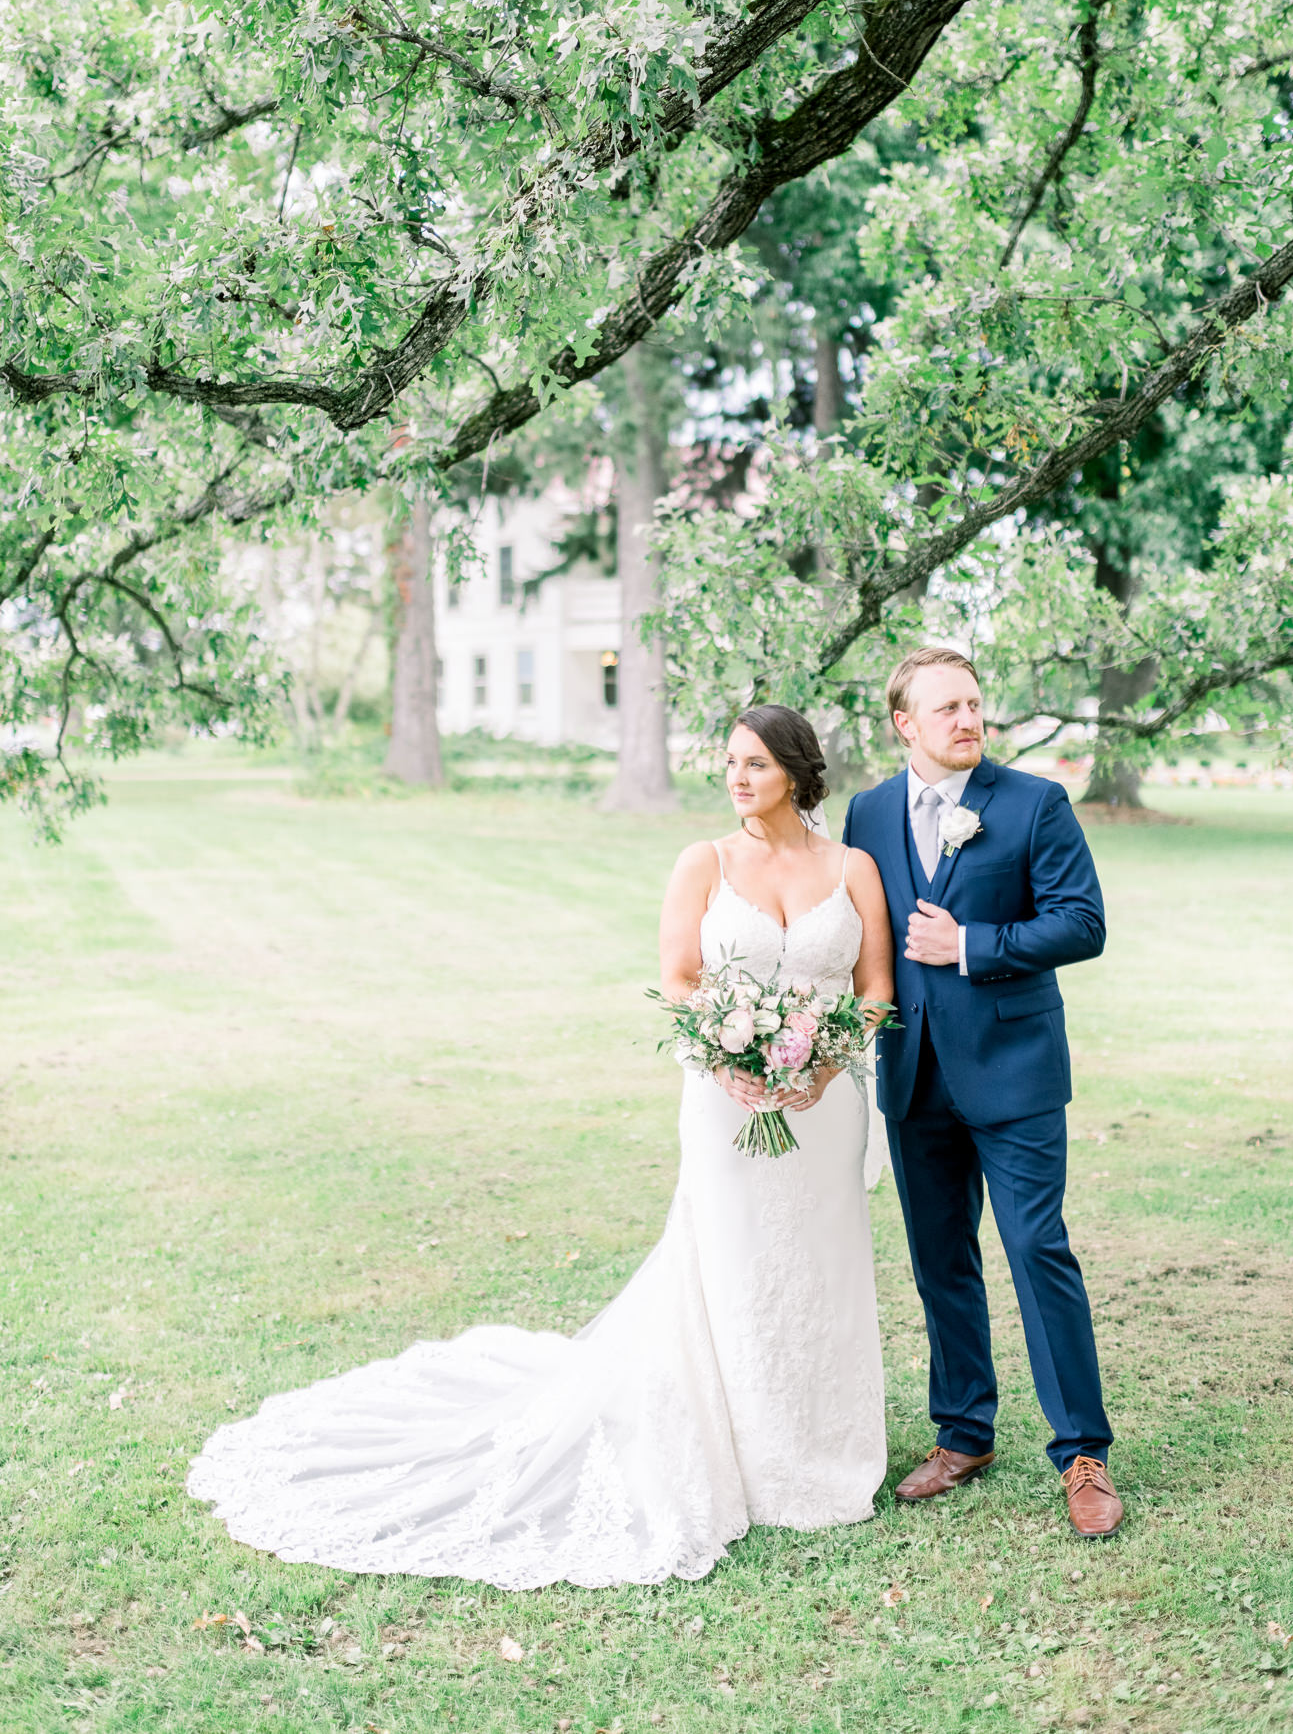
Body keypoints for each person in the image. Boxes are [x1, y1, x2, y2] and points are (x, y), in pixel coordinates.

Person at [187, 706, 894, 1588]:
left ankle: (819, 1451)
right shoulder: (703, 862)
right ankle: (738, 1454)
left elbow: (874, 987)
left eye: (754, 763)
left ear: (795, 768)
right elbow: (679, 978)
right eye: (729, 764)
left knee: (821, 1265)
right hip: (727, 1099)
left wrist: (826, 1064)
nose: (737, 778)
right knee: (733, 1263)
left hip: (824, 1108)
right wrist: (728, 1061)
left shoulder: (851, 868)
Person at [843, 646, 1122, 1538]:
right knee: (940, 1259)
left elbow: (1083, 924)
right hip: (913, 1072)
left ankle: (1083, 1453)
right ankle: (964, 1431)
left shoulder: (1034, 802)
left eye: (974, 704)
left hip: (1015, 1072)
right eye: (948, 708)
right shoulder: (869, 812)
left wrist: (970, 945)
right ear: (905, 724)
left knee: (1039, 1250)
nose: (969, 720)